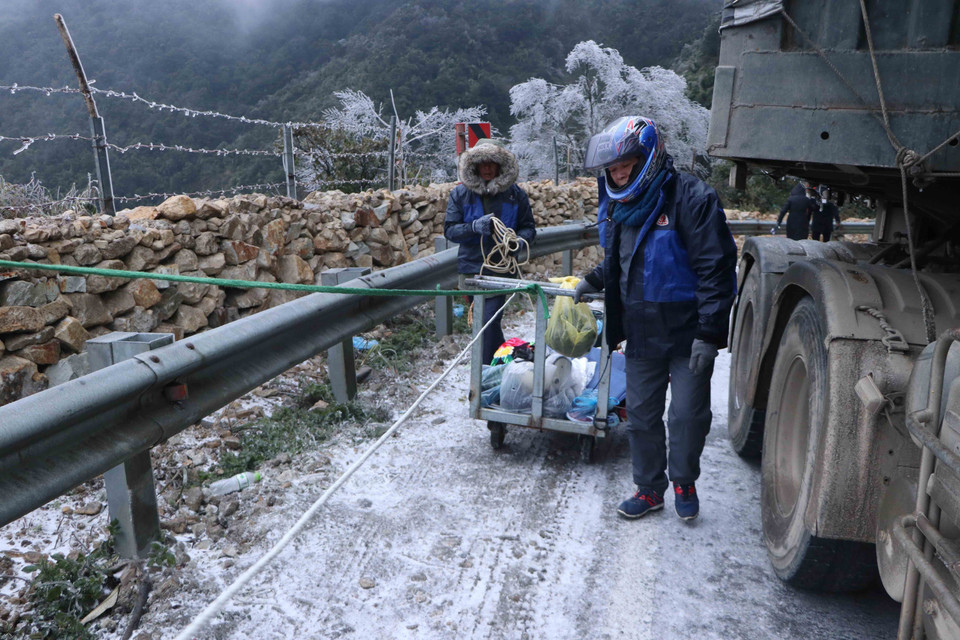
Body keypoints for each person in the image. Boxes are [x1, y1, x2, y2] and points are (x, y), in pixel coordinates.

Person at [573, 116, 737, 521]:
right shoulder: (618, 206)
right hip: (642, 332)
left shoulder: (692, 198)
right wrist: (594, 279)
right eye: (612, 167)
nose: (619, 172)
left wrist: (709, 334)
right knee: (642, 417)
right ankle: (649, 489)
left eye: (627, 162)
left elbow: (716, 269)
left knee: (686, 416)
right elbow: (622, 259)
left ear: (649, 155)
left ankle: (684, 481)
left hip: (688, 332)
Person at [444, 139, 536, 365]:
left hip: (500, 271)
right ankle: (509, 357)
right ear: (474, 166)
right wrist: (473, 227)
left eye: (491, 164)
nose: (486, 168)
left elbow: (528, 227)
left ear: (499, 166)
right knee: (487, 323)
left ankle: (483, 376)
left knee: (486, 320)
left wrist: (518, 242)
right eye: (482, 164)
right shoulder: (460, 195)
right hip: (470, 270)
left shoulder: (516, 195)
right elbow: (450, 230)